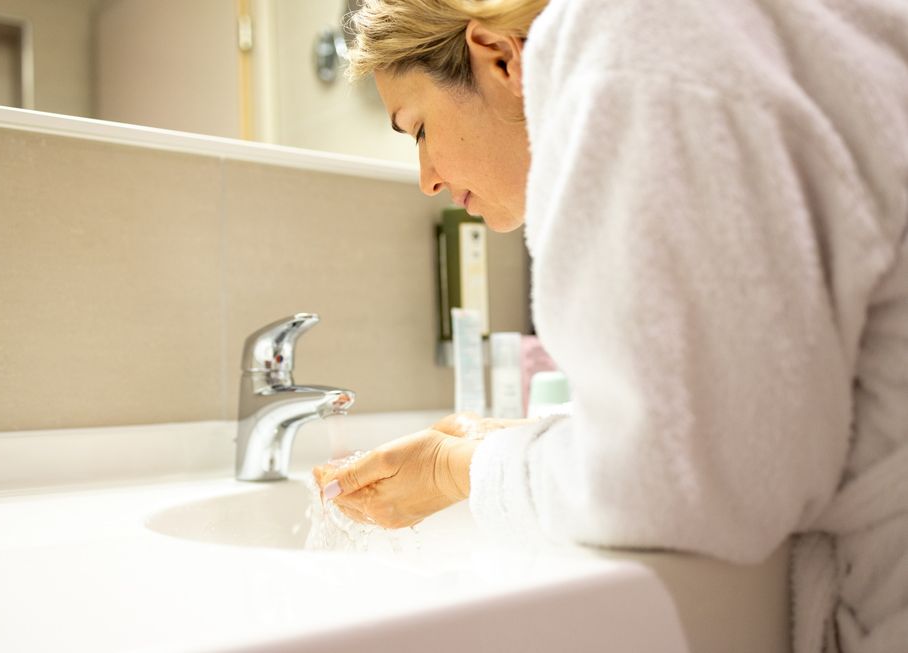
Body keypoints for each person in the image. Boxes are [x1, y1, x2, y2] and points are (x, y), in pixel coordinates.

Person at [313, 1, 908, 651]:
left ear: (500, 58)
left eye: (418, 128)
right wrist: (542, 441)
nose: (426, 178)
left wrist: (462, 468)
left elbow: (684, 488)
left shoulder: (633, 49)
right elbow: (755, 415)